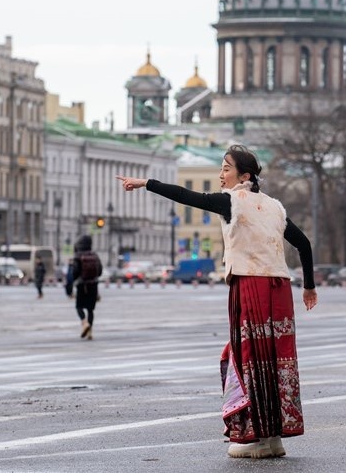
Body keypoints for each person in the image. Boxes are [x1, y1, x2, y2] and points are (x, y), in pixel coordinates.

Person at [117, 144, 318, 459]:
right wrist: (309, 287)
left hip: (250, 285)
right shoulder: (275, 207)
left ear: (244, 176)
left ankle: (256, 438)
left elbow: (187, 196)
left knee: (251, 359)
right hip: (279, 289)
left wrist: (146, 183)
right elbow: (303, 244)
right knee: (275, 362)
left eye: (226, 168)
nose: (221, 175)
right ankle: (274, 438)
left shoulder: (232, 201)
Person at [65, 235, 103, 339]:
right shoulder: (95, 256)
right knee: (90, 310)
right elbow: (100, 271)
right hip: (94, 285)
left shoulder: (78, 256)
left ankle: (84, 322)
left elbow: (74, 273)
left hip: (82, 285)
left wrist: (70, 288)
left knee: (79, 307)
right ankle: (90, 332)